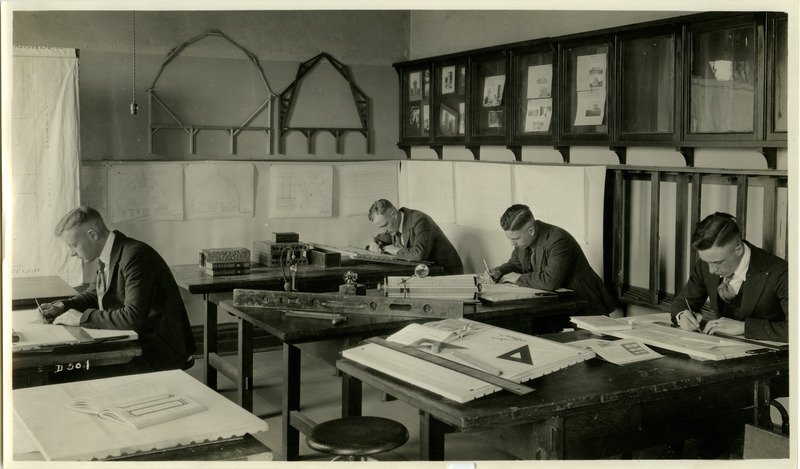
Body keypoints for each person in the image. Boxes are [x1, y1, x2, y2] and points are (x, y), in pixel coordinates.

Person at [39, 206, 196, 371]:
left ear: (92, 235)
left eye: (73, 245)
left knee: (78, 371)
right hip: (140, 339)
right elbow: (94, 294)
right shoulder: (109, 254)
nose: (72, 253)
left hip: (161, 348)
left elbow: (133, 317)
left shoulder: (136, 256)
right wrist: (63, 306)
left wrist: (80, 318)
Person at [671, 212, 788, 342]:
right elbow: (683, 302)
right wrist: (682, 316)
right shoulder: (707, 263)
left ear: (738, 247)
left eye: (718, 262)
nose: (712, 270)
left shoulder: (781, 272)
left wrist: (744, 327)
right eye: (707, 261)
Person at [487, 204, 615, 316]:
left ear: (531, 231)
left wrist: (516, 278)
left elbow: (550, 281)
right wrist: (499, 272)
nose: (512, 243)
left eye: (515, 239)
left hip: (583, 301)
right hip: (556, 301)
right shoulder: (523, 242)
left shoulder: (558, 240)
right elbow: (516, 264)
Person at [367, 199, 464, 275]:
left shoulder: (420, 221)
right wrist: (374, 244)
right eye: (381, 228)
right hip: (425, 271)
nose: (385, 231)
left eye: (385, 225)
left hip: (446, 273)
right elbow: (379, 239)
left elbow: (419, 255)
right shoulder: (393, 226)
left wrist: (394, 250)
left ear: (393, 214)